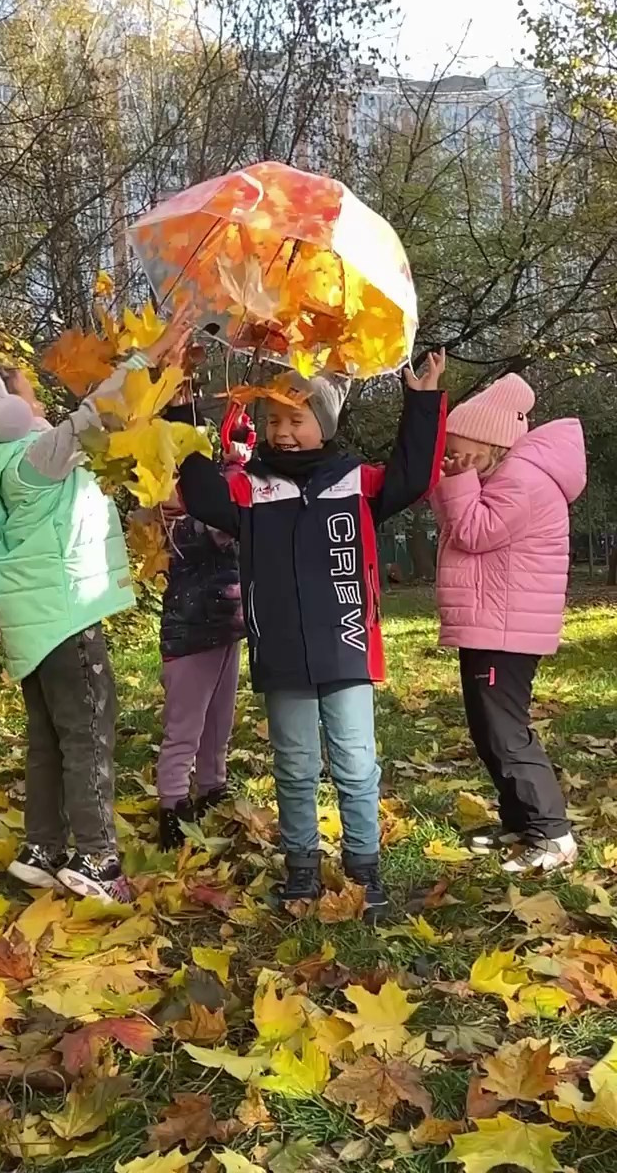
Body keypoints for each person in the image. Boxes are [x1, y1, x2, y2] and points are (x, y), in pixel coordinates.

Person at [167, 355, 446, 921]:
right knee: (294, 765)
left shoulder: (358, 484)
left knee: (354, 762)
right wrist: (181, 409)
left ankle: (364, 869)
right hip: (282, 653)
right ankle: (301, 869)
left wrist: (422, 401)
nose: (283, 432)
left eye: (296, 419)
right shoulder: (249, 490)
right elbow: (199, 493)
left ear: (325, 421)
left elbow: (416, 475)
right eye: (273, 421)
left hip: (347, 647)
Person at [0, 319, 188, 902]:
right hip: (64, 615)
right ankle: (97, 860)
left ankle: (41, 849)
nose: (41, 403)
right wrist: (148, 358)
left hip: (32, 620)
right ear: (3, 412)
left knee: (49, 737)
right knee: (89, 732)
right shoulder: (32, 459)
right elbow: (95, 414)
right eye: (30, 395)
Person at [430, 373, 586, 873]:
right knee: (486, 727)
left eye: (457, 450)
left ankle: (553, 834)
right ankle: (520, 821)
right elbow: (460, 522)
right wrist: (454, 481)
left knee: (504, 730)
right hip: (492, 622)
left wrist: (455, 482)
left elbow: (473, 532)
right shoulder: (504, 476)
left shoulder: (525, 478)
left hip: (504, 628)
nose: (451, 459)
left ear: (488, 444)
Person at [154, 404, 256, 850]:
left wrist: (237, 467)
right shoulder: (167, 509)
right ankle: (173, 804)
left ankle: (213, 785)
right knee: (185, 723)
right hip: (190, 627)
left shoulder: (213, 492)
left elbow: (234, 524)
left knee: (220, 717)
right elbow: (215, 529)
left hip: (226, 623)